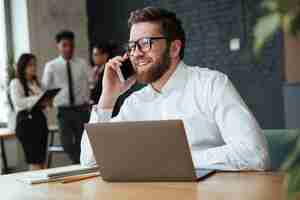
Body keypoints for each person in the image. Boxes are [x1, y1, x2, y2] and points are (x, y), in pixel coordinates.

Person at [80, 7, 270, 170]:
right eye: (131, 46)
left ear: (174, 48)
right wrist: (107, 99)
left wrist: (177, 161)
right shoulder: (135, 103)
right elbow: (89, 161)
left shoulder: (211, 85)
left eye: (145, 43)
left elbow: (255, 154)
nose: (136, 53)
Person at [42, 30, 90, 164]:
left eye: (71, 45)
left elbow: (92, 82)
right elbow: (45, 88)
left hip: (82, 109)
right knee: (66, 143)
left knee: (85, 142)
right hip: (64, 110)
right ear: (58, 46)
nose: (68, 48)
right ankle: (78, 162)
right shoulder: (51, 66)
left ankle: (82, 165)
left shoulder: (82, 63)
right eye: (64, 45)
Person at [9, 53, 49, 170]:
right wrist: (38, 99)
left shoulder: (36, 83)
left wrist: (47, 101)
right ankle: (37, 186)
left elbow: (42, 103)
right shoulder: (16, 83)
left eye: (34, 65)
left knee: (42, 160)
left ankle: (44, 187)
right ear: (23, 66)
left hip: (40, 121)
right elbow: (19, 102)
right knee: (34, 160)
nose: (33, 68)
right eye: (30, 65)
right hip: (27, 123)